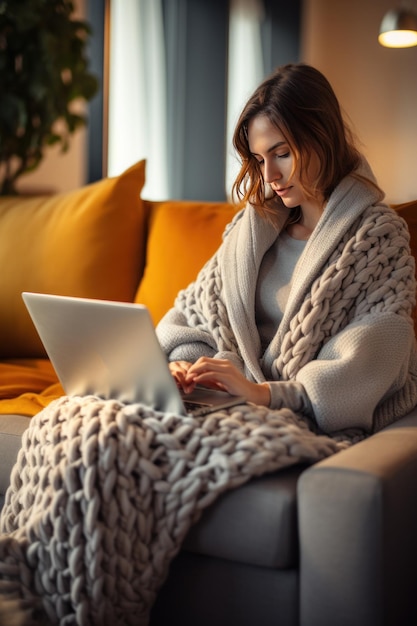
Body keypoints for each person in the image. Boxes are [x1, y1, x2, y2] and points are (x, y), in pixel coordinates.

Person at [156, 62, 417, 435]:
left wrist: (263, 394)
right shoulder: (251, 229)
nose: (269, 176)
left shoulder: (376, 236)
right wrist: (186, 368)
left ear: (320, 137)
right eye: (260, 159)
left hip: (288, 411)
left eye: (281, 153)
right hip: (222, 402)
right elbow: (194, 314)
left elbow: (377, 350)